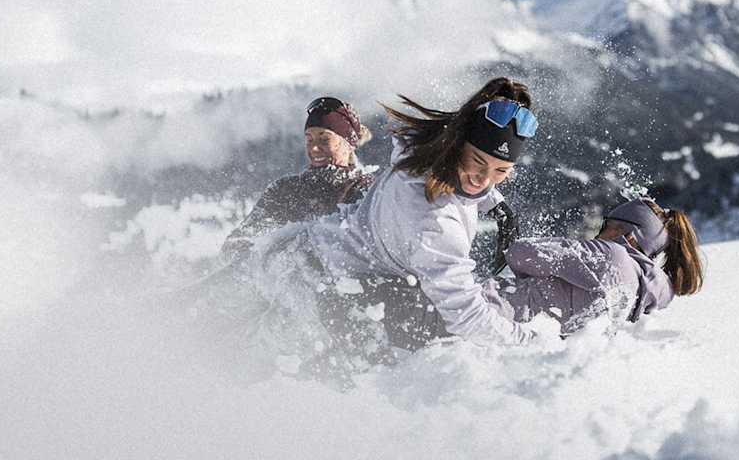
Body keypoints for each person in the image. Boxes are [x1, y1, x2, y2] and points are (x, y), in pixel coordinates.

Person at [301, 76, 540, 350]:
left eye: (501, 171)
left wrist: (495, 205)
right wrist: (534, 345)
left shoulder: (425, 151)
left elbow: (473, 181)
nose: (484, 180)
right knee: (435, 334)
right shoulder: (434, 220)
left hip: (321, 248)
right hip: (323, 284)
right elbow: (467, 316)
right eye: (477, 162)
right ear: (458, 145)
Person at [494, 197, 704, 336]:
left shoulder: (610, 255)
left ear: (629, 236)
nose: (599, 233)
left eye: (607, 225)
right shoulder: (642, 293)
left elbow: (520, 252)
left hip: (491, 313)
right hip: (521, 337)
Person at [220, 96, 374, 264]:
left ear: (349, 144)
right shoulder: (285, 190)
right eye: (309, 139)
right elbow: (234, 244)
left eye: (324, 139)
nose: (314, 148)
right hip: (278, 288)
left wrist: (293, 249)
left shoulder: (366, 191)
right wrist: (256, 253)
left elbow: (363, 251)